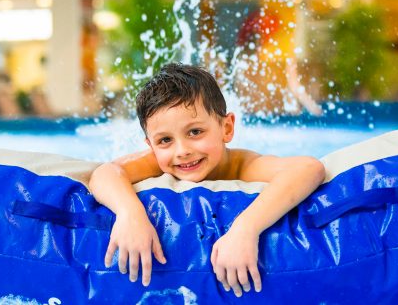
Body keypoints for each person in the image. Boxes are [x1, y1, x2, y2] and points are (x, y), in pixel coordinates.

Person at [87, 63, 326, 297]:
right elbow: (105, 173)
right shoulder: (156, 162)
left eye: (195, 132)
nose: (182, 151)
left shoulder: (243, 166)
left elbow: (309, 168)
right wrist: (130, 214)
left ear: (226, 128)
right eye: (165, 140)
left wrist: (245, 229)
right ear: (151, 145)